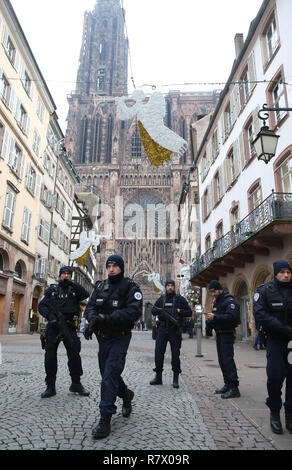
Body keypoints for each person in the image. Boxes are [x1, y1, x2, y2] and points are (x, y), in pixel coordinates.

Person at [84, 254, 143, 439]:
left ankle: (105, 417)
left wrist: (107, 318)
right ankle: (126, 395)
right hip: (103, 338)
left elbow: (133, 311)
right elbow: (90, 307)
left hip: (120, 337)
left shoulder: (130, 287)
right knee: (108, 374)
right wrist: (92, 320)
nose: (111, 269)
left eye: (115, 265)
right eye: (109, 265)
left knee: (109, 375)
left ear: (121, 268)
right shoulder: (101, 286)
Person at [38, 266, 90, 398]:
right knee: (50, 356)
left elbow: (85, 294)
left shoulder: (74, 289)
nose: (65, 276)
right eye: (63, 274)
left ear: (71, 276)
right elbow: (41, 306)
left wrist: (72, 283)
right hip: (54, 326)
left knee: (74, 355)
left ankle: (76, 384)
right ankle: (50, 386)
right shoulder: (52, 289)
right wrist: (51, 317)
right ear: (59, 275)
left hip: (70, 327)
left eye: (68, 274)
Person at [253, 260, 292, 435]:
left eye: (288, 272)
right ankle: (275, 411)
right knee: (275, 378)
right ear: (276, 273)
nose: (286, 275)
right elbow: (260, 314)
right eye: (282, 272)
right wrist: (283, 328)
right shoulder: (264, 291)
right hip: (276, 341)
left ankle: (290, 415)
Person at [150, 279, 192, 389]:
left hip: (175, 330)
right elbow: (153, 310)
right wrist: (159, 311)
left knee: (175, 355)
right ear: (165, 287)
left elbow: (189, 312)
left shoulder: (180, 299)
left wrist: (180, 311)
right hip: (162, 329)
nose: (170, 287)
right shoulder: (161, 299)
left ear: (174, 287)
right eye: (168, 285)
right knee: (158, 353)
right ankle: (158, 377)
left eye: (171, 286)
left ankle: (175, 379)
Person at [204, 280, 241, 399]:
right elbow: (217, 317)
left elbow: (231, 316)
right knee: (222, 360)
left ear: (220, 289)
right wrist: (210, 321)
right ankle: (227, 384)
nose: (213, 293)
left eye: (214, 291)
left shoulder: (229, 301)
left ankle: (234, 387)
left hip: (227, 334)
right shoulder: (217, 302)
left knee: (228, 360)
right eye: (211, 292)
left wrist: (215, 317)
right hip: (219, 334)